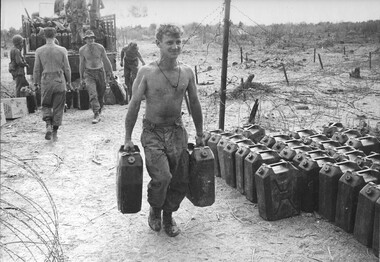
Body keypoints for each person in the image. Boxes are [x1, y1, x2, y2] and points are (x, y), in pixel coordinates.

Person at [123, 24, 204, 237]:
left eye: (178, 42)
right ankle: (155, 209)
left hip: (177, 131)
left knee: (179, 179)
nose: (175, 46)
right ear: (158, 44)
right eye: (169, 42)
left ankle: (168, 215)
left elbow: (194, 103)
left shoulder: (186, 72)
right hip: (153, 132)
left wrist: (200, 133)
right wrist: (127, 137)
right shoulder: (147, 72)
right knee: (162, 176)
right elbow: (134, 105)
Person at [33, 27, 72, 141]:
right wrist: (69, 82)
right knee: (58, 106)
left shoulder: (39, 50)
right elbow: (67, 68)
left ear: (44, 36)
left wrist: (36, 83)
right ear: (55, 36)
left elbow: (36, 69)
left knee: (45, 104)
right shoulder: (62, 50)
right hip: (59, 79)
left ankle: (48, 124)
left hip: (46, 80)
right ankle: (55, 130)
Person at [79, 30, 113, 124]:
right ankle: (96, 113)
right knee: (92, 93)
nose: (90, 40)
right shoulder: (82, 50)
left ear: (94, 38)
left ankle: (100, 108)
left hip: (100, 72)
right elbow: (81, 63)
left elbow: (106, 60)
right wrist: (81, 77)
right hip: (89, 73)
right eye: (88, 38)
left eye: (91, 38)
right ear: (85, 40)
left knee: (101, 92)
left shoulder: (100, 47)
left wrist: (110, 72)